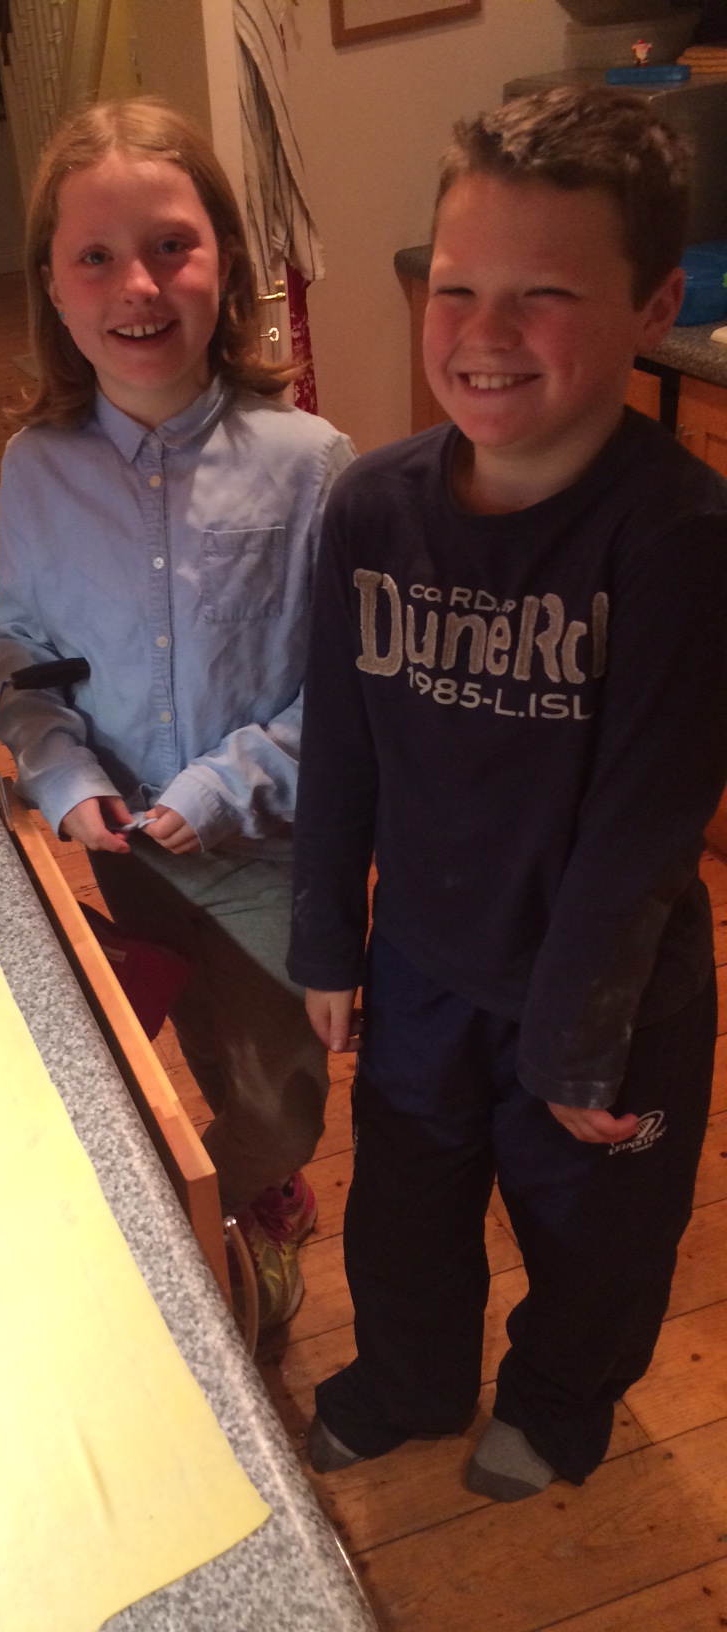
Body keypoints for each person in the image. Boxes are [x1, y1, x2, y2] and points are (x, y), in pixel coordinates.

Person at [288, 85, 727, 1500]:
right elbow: (339, 747)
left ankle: (554, 1404)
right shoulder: (369, 509)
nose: (485, 331)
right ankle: (408, 1380)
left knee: (596, 1239)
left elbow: (644, 827)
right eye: (457, 286)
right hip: (421, 967)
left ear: (653, 305)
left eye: (543, 294)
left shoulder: (684, 539)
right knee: (402, 1212)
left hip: (608, 998)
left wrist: (573, 1050)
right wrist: (324, 941)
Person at [0, 98, 356, 1328]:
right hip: (126, 850)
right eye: (94, 256)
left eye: (170, 247)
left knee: (278, 1088)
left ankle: (230, 1201)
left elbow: (350, 693)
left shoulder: (310, 463)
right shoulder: (35, 469)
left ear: (225, 262)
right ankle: (229, 1204)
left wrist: (222, 784)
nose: (136, 285)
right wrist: (59, 771)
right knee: (188, 1040)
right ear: (52, 284)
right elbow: (20, 653)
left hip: (271, 856)